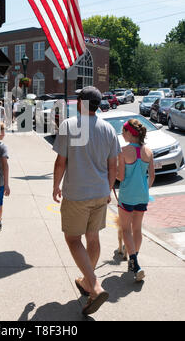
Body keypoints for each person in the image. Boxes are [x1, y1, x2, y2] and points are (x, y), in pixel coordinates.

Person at [53, 86, 120, 315]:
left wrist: (55, 186)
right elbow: (114, 166)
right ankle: (85, 281)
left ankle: (94, 286)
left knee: (73, 239)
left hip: (77, 193)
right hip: (101, 192)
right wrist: (108, 189)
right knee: (93, 237)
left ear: (81, 102)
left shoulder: (70, 125)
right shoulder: (109, 129)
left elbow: (61, 162)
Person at [116, 118, 155, 282]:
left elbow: (121, 176)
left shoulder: (123, 151)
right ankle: (134, 259)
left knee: (126, 229)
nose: (122, 134)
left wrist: (111, 172)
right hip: (142, 196)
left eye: (123, 131)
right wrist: (144, 188)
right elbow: (152, 177)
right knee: (137, 229)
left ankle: (135, 263)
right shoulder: (149, 151)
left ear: (129, 133)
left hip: (127, 196)